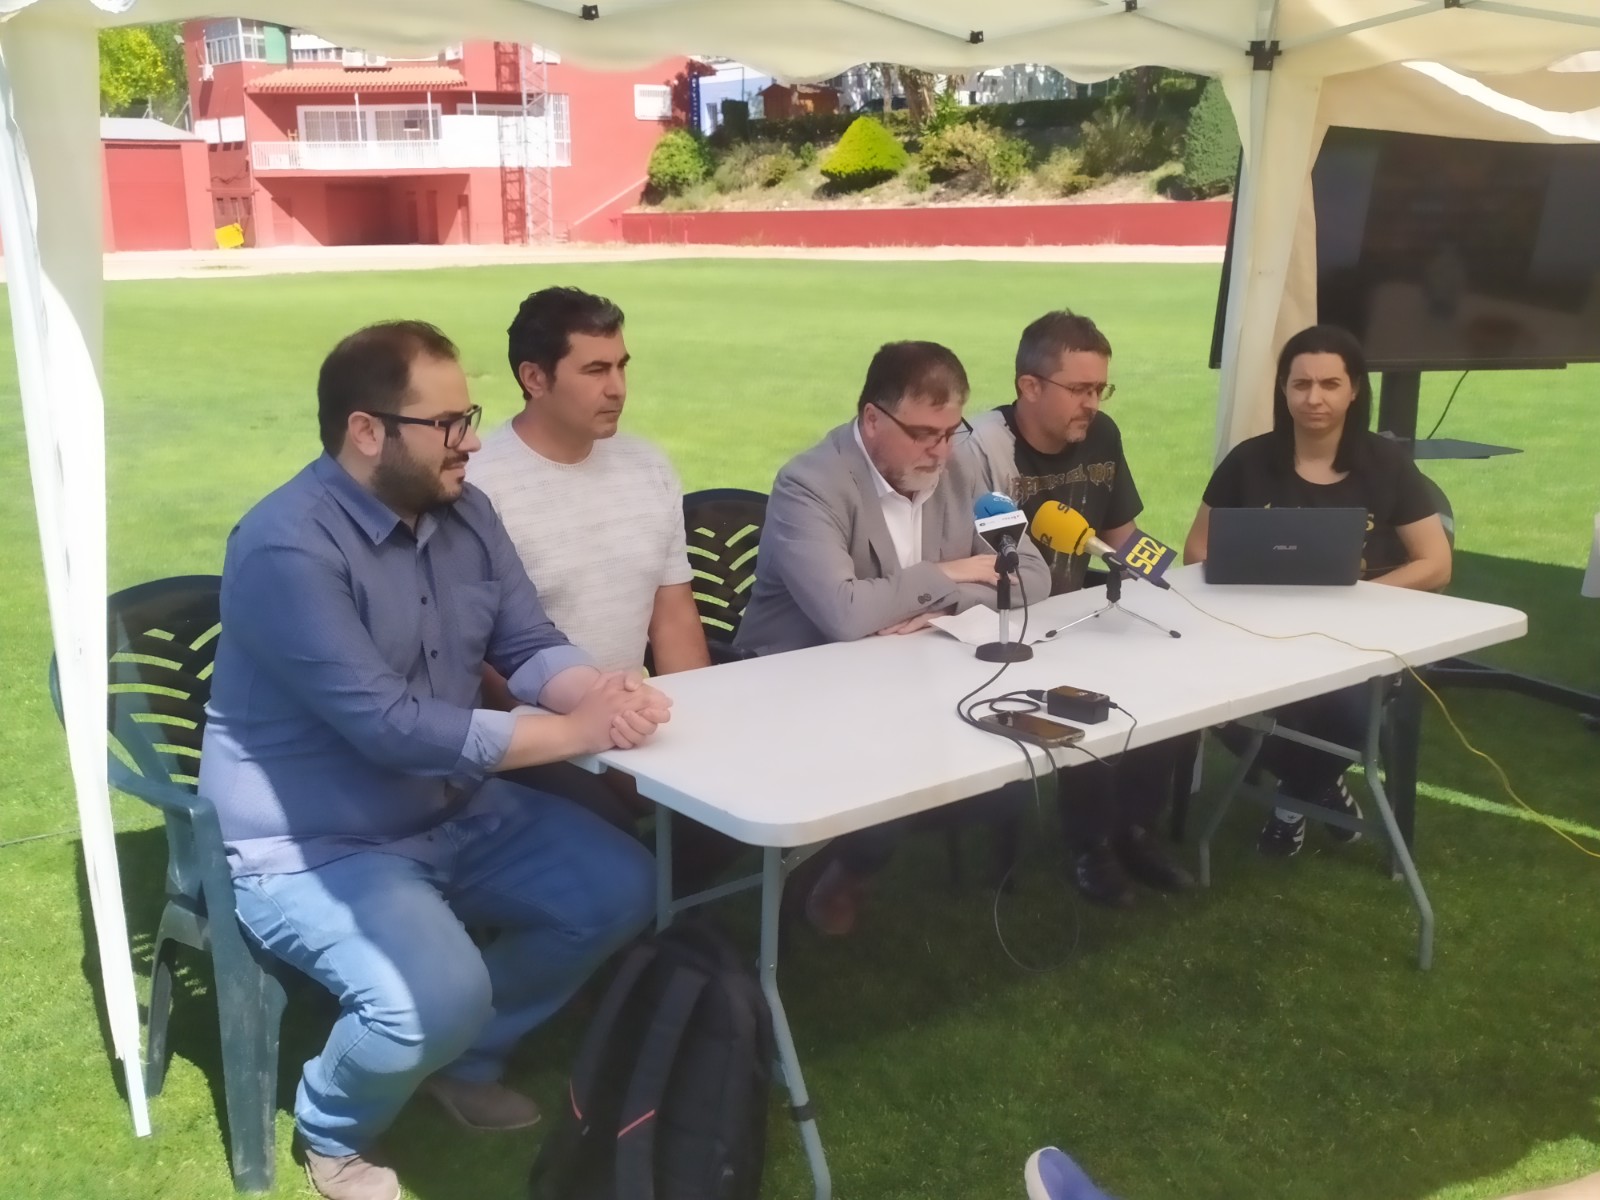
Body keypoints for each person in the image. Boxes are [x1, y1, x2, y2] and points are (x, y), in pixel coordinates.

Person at [199, 321, 668, 1200]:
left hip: (451, 803)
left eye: (469, 417)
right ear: (365, 431)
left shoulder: (467, 513)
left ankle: (465, 1051)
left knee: (620, 888)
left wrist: (597, 692)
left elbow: (526, 641)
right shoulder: (285, 546)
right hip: (317, 841)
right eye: (448, 423)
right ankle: (332, 1128)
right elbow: (387, 725)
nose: (473, 441)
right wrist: (576, 734)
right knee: (428, 999)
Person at [734, 339, 1052, 934]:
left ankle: (855, 860)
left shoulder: (964, 467)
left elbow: (1033, 576)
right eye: (924, 433)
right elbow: (845, 614)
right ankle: (841, 871)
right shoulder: (810, 484)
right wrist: (951, 573)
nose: (940, 450)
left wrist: (942, 605)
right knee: (887, 788)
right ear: (872, 419)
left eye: (951, 431)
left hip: (914, 674)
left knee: (1006, 780)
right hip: (799, 682)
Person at [1182, 322, 1452, 856]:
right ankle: (1318, 784)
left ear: (1355, 390)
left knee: (1347, 712)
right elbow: (1196, 550)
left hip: (1358, 639)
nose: (1314, 398)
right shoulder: (1249, 461)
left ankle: (1291, 800)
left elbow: (1436, 563)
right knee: (1212, 704)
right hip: (1260, 630)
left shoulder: (1386, 465)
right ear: (1283, 389)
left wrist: (1359, 600)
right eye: (1301, 384)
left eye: (1330, 384)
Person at [963, 310, 1194, 907]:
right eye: (1079, 389)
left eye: (1100, 389)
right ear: (1029, 386)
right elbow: (974, 563)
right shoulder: (983, 449)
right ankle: (1090, 845)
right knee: (1087, 700)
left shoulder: (1101, 435)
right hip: (1007, 626)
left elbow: (1120, 535)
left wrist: (1172, 585)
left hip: (1082, 612)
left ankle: (1135, 829)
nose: (1091, 404)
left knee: (1165, 681)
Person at [467, 286, 714, 841]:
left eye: (622, 366)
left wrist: (699, 720)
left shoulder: (648, 466)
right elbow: (481, 660)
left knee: (731, 798)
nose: (617, 388)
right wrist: (591, 735)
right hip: (536, 730)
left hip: (636, 711)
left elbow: (673, 615)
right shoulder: (480, 486)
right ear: (535, 378)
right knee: (632, 833)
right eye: (596, 370)